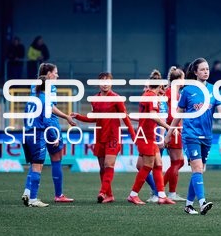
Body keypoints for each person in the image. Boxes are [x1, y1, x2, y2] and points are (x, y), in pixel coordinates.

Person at [165, 58, 221, 215]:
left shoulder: (214, 89)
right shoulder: (187, 91)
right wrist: (168, 134)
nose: (206, 71)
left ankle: (188, 205)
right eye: (202, 69)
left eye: (207, 69)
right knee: (197, 168)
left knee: (199, 170)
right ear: (195, 72)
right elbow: (178, 114)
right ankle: (202, 203)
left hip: (207, 137)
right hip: (190, 134)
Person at [71, 72, 136, 203]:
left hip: (113, 136)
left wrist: (134, 135)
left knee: (108, 164)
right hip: (100, 135)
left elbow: (125, 117)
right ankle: (110, 195)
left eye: (107, 81)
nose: (105, 84)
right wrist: (78, 116)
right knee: (102, 167)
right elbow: (94, 118)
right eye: (102, 81)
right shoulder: (95, 99)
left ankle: (102, 192)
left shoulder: (117, 98)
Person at [20, 63, 76, 207]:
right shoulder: (49, 87)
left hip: (31, 128)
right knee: (56, 158)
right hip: (49, 124)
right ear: (49, 74)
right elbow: (50, 108)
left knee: (35, 162)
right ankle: (58, 195)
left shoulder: (35, 86)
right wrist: (66, 117)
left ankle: (27, 191)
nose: (57, 75)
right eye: (55, 72)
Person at [127, 69, 175, 205]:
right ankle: (133, 194)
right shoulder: (152, 97)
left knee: (158, 164)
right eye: (163, 88)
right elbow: (153, 116)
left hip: (148, 136)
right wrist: (168, 127)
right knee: (147, 166)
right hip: (146, 137)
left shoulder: (146, 95)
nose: (164, 91)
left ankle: (161, 195)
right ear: (159, 86)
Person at [162, 66, 186, 201]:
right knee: (179, 162)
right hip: (174, 129)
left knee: (176, 162)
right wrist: (172, 130)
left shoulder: (172, 92)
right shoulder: (172, 93)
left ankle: (171, 193)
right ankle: (159, 190)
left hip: (175, 128)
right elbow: (171, 114)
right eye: (183, 78)